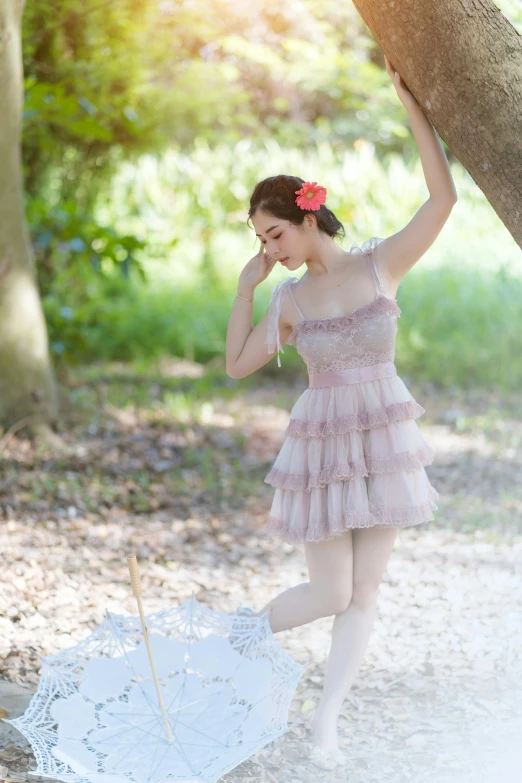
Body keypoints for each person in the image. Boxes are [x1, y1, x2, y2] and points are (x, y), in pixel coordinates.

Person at [225, 54, 458, 770]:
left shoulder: (379, 262)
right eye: (260, 242)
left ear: (305, 215)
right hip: (325, 444)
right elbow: (237, 364)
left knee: (368, 589)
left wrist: (411, 107)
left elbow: (443, 199)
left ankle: (327, 721)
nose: (269, 250)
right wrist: (246, 283)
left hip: (384, 437)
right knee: (332, 591)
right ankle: (238, 637)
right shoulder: (287, 302)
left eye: (273, 236)